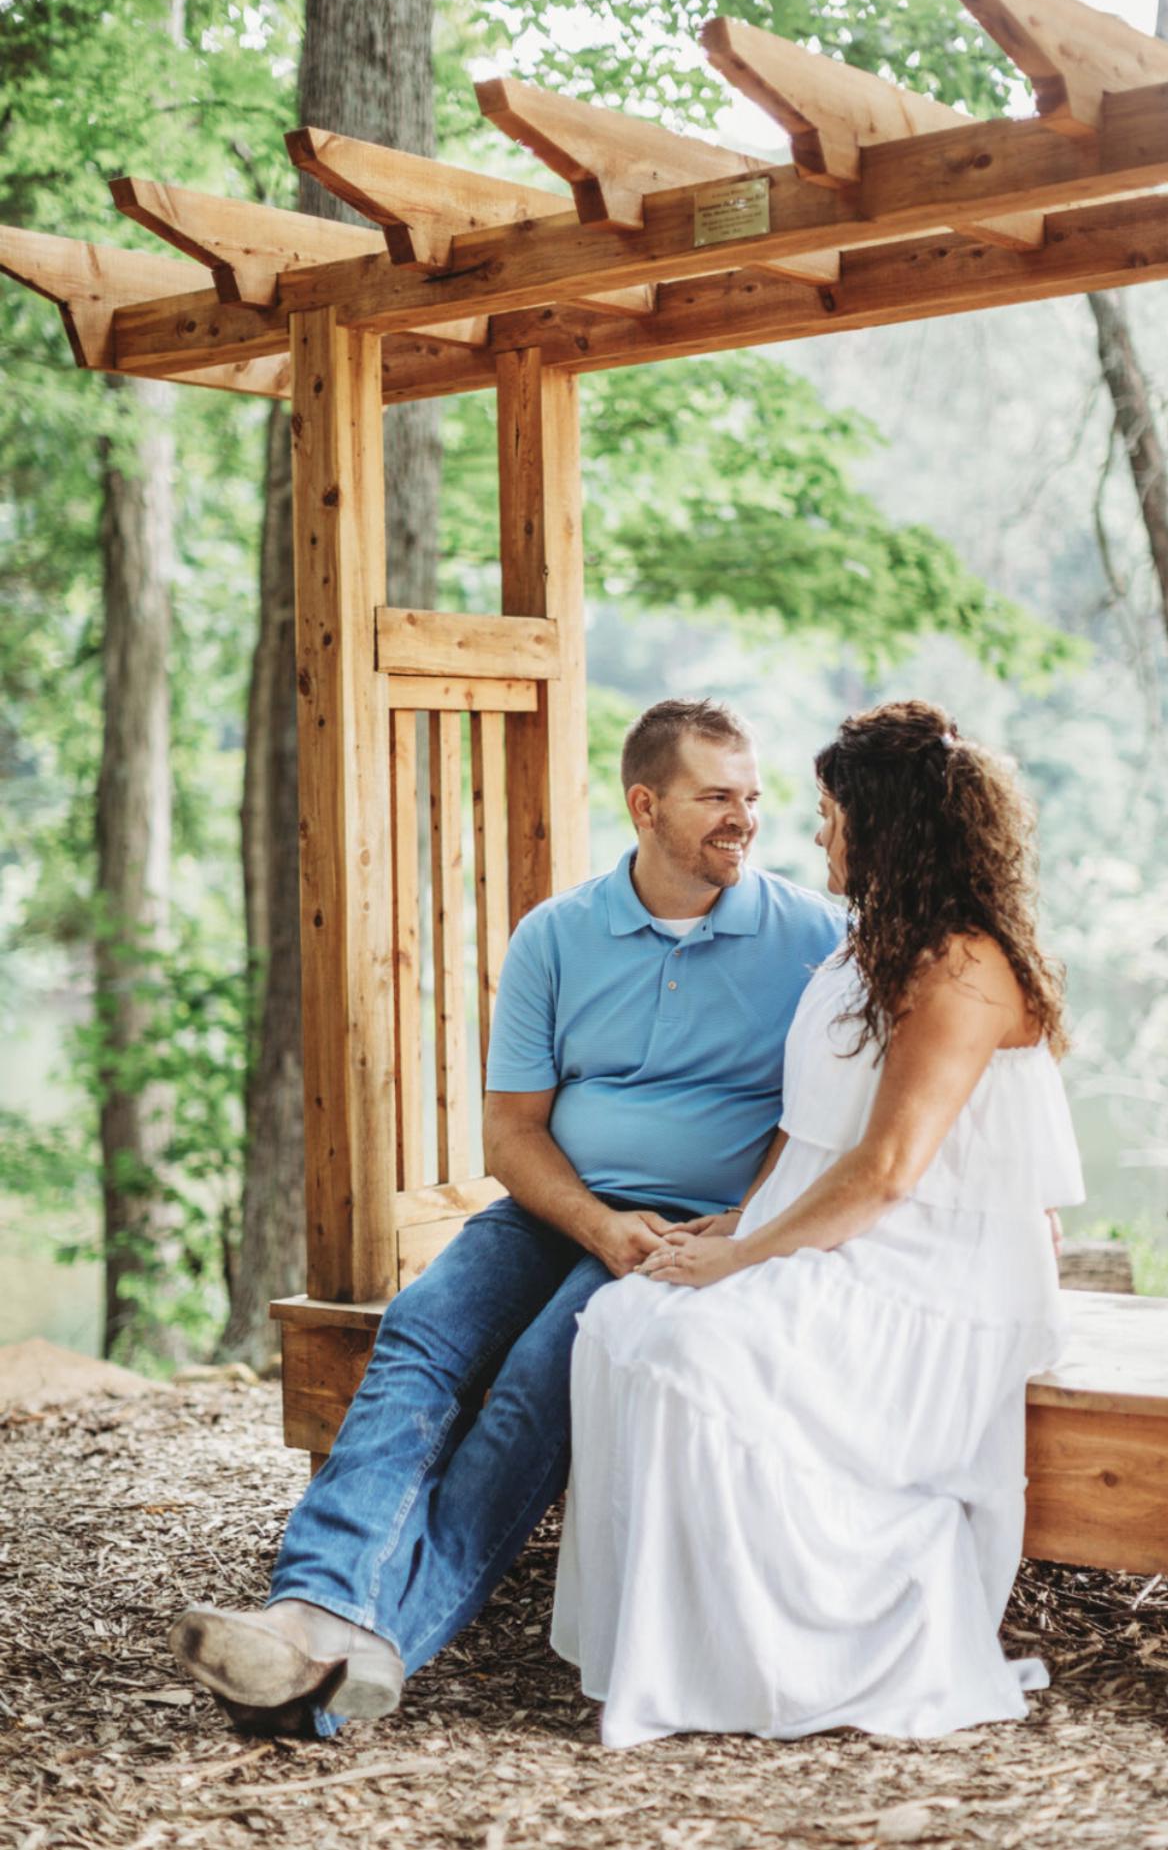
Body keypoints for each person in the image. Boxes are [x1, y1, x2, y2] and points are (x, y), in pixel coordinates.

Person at [169, 698, 841, 1735]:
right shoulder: (558, 935)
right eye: (716, 797)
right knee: (421, 1329)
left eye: (751, 797)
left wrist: (742, 1221)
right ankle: (312, 1605)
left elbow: (838, 1112)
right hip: (556, 1208)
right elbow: (513, 1133)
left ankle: (341, 1658)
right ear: (645, 804)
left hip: (693, 1231)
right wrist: (596, 1224)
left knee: (537, 1381)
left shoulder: (815, 939)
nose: (743, 819)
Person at [552, 701, 1084, 1749]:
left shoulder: (963, 967)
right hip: (841, 1236)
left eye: (832, 814)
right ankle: (678, 1654)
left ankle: (779, 1665)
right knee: (620, 1322)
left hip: (933, 1272)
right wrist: (733, 1223)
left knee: (698, 1353)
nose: (814, 832)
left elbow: (885, 1171)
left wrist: (742, 1260)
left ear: (886, 826)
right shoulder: (864, 949)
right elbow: (808, 1136)